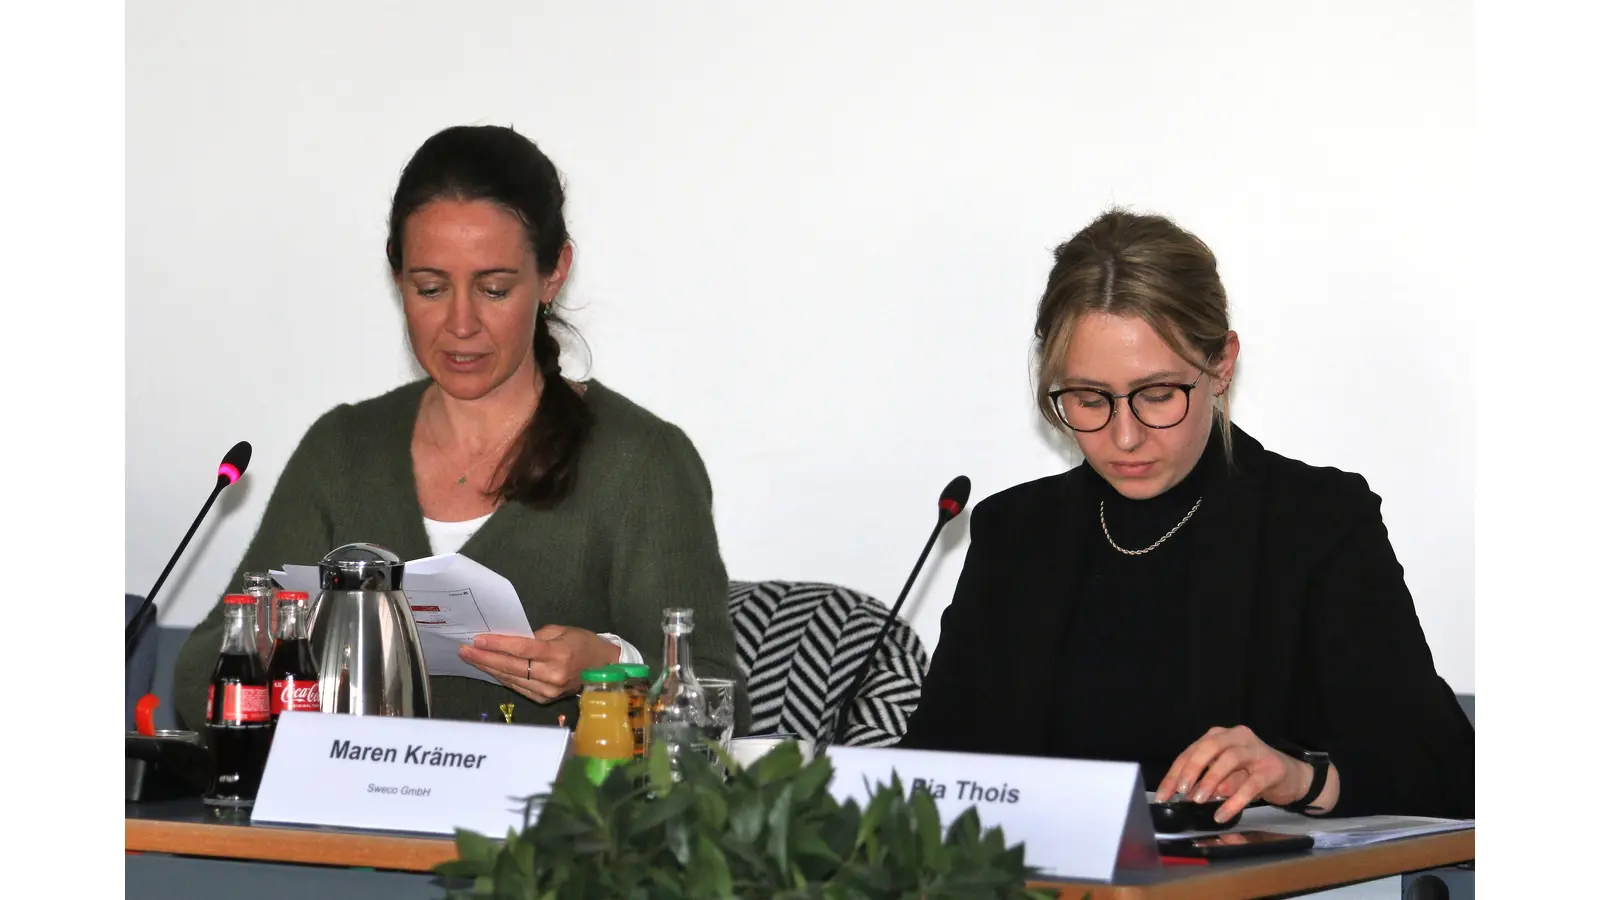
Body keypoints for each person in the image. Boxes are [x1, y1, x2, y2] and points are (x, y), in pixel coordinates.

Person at [172, 124, 749, 735]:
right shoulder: (344, 449)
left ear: (553, 275)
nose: (461, 323)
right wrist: (282, 645)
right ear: (397, 277)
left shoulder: (640, 462)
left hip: (555, 801)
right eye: (430, 288)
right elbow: (195, 678)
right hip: (357, 798)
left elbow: (719, 707)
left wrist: (608, 669)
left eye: (494, 289)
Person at [898, 209, 1473, 821]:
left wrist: (1302, 778)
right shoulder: (1014, 532)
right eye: (1088, 399)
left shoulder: (1317, 523)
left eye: (1157, 395)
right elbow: (930, 768)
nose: (1124, 437)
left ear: (1221, 365)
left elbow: (1445, 768)